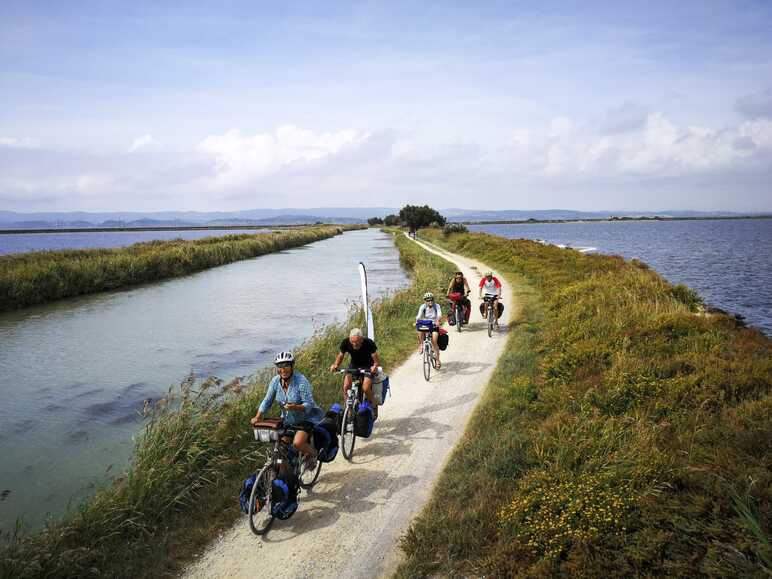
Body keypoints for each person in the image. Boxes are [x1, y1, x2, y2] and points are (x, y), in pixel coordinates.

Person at [251, 351, 324, 469]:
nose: (283, 369)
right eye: (280, 366)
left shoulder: (301, 381)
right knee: (281, 448)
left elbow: (309, 404)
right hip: (287, 420)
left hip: (306, 419)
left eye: (286, 365)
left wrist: (295, 407)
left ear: (292, 366)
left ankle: (314, 454)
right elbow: (267, 400)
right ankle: (287, 474)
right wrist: (258, 416)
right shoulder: (275, 381)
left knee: (297, 443)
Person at [330, 328, 381, 415]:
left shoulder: (369, 343)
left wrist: (375, 366)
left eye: (356, 342)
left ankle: (373, 405)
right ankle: (348, 409)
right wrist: (336, 365)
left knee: (365, 387)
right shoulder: (346, 342)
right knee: (346, 386)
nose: (354, 344)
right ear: (349, 339)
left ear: (362, 339)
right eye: (352, 342)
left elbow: (376, 361)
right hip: (354, 365)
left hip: (368, 366)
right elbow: (341, 355)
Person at [415, 291, 443, 368]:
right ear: (425, 301)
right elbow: (419, 315)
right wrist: (417, 320)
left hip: (434, 325)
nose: (430, 302)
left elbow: (439, 314)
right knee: (419, 329)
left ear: (433, 300)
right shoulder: (422, 306)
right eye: (428, 300)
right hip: (425, 324)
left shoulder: (436, 306)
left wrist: (437, 320)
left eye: (431, 300)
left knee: (434, 341)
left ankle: (437, 360)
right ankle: (421, 344)